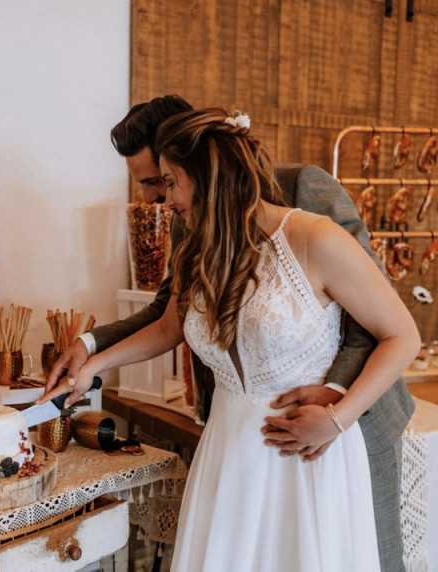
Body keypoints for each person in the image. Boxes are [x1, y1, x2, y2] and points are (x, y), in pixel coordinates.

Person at [40, 102, 418, 570]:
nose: (164, 200)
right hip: (228, 447)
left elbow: (397, 333)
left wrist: (338, 415)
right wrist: (93, 364)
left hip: (308, 447)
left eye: (169, 182)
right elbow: (168, 326)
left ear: (206, 175)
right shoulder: (196, 247)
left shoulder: (313, 232)